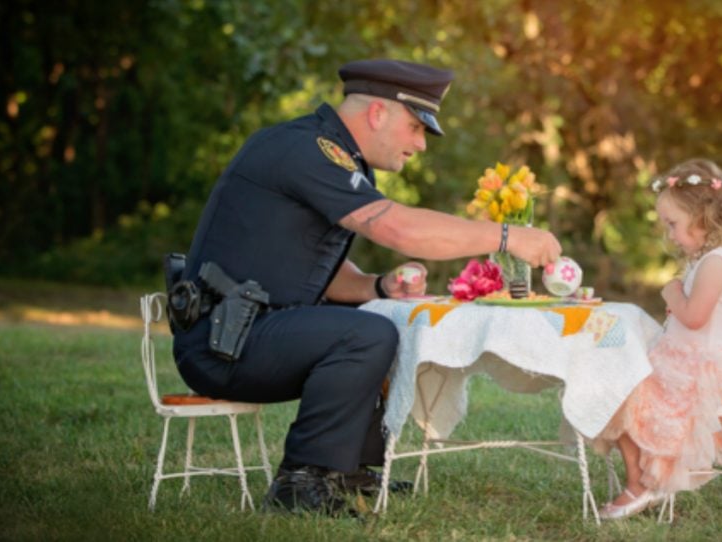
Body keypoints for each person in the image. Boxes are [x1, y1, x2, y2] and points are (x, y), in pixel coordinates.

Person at [170, 59, 562, 517]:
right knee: (366, 334)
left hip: (248, 331)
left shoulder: (334, 156)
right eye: (416, 127)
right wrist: (506, 235)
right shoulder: (307, 150)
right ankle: (302, 481)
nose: (420, 145)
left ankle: (350, 470)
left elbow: (306, 262)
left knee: (377, 318)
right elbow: (397, 228)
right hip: (221, 345)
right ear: (378, 113)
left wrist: (376, 285)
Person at [591, 158, 722, 520]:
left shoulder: (718, 261)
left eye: (673, 224)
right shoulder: (712, 259)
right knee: (614, 381)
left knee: (619, 389)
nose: (670, 234)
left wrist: (672, 294)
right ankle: (641, 477)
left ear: (704, 216)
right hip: (689, 356)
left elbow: (695, 316)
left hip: (703, 367)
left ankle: (639, 483)